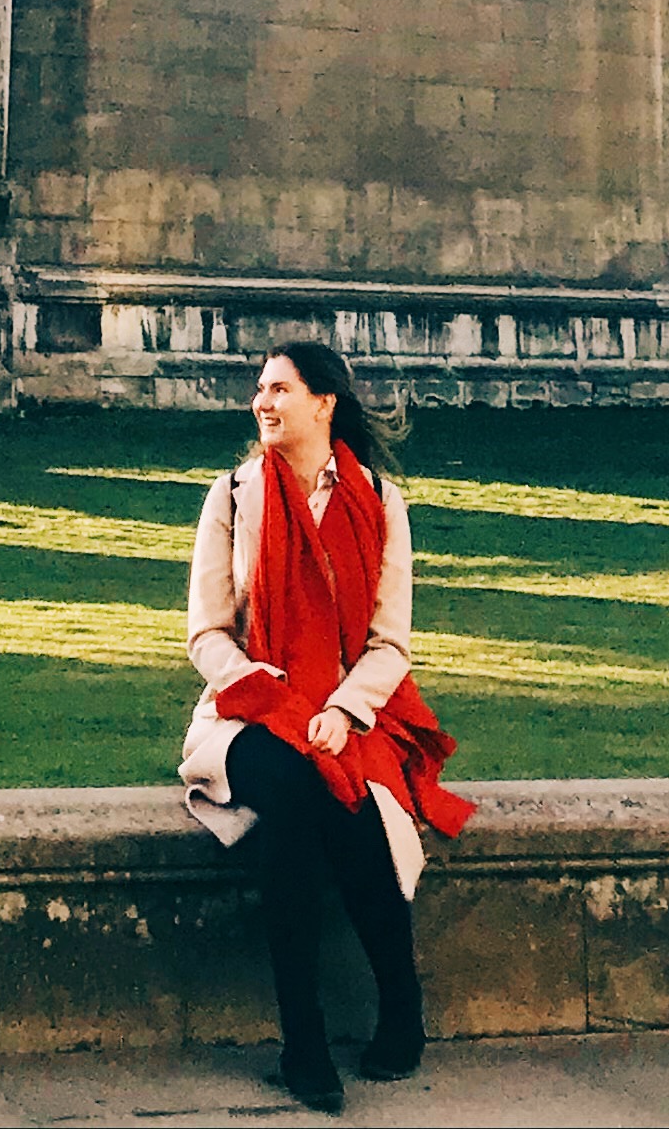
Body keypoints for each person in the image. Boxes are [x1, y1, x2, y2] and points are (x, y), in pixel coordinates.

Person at [177, 337, 473, 1112]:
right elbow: (207, 633)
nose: (262, 403)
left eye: (278, 389)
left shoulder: (380, 500)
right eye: (260, 390)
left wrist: (341, 709)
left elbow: (390, 643)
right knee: (307, 791)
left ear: (323, 403)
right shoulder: (233, 495)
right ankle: (313, 1037)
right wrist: (266, 693)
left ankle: (386, 1008)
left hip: (345, 711)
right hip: (248, 713)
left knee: (337, 805)